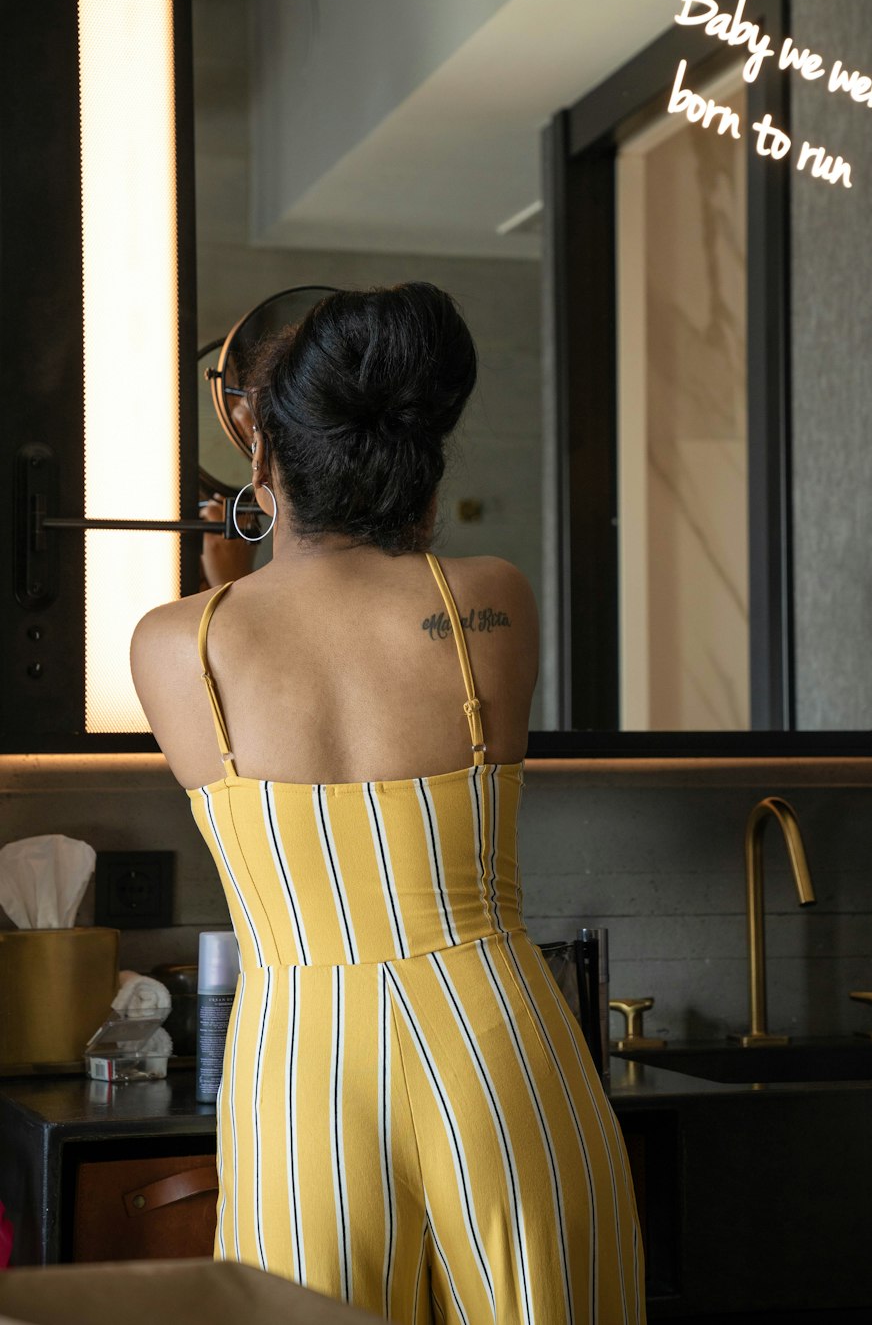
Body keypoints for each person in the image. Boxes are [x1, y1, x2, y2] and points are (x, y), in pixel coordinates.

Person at [130, 283, 646, 1324]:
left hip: (298, 1068)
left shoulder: (175, 644)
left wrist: (238, 541)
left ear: (261, 445)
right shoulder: (488, 602)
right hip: (497, 1042)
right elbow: (385, 564)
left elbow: (288, 619)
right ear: (422, 443)